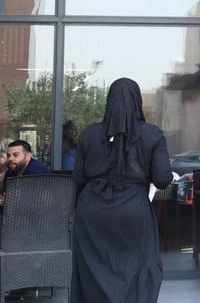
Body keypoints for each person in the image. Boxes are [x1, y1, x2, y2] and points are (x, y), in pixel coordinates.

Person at [70, 78, 173, 303]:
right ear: (137, 101)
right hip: (133, 211)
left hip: (92, 213)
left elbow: (78, 178)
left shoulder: (89, 134)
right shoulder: (152, 135)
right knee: (138, 270)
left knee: (93, 273)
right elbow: (163, 179)